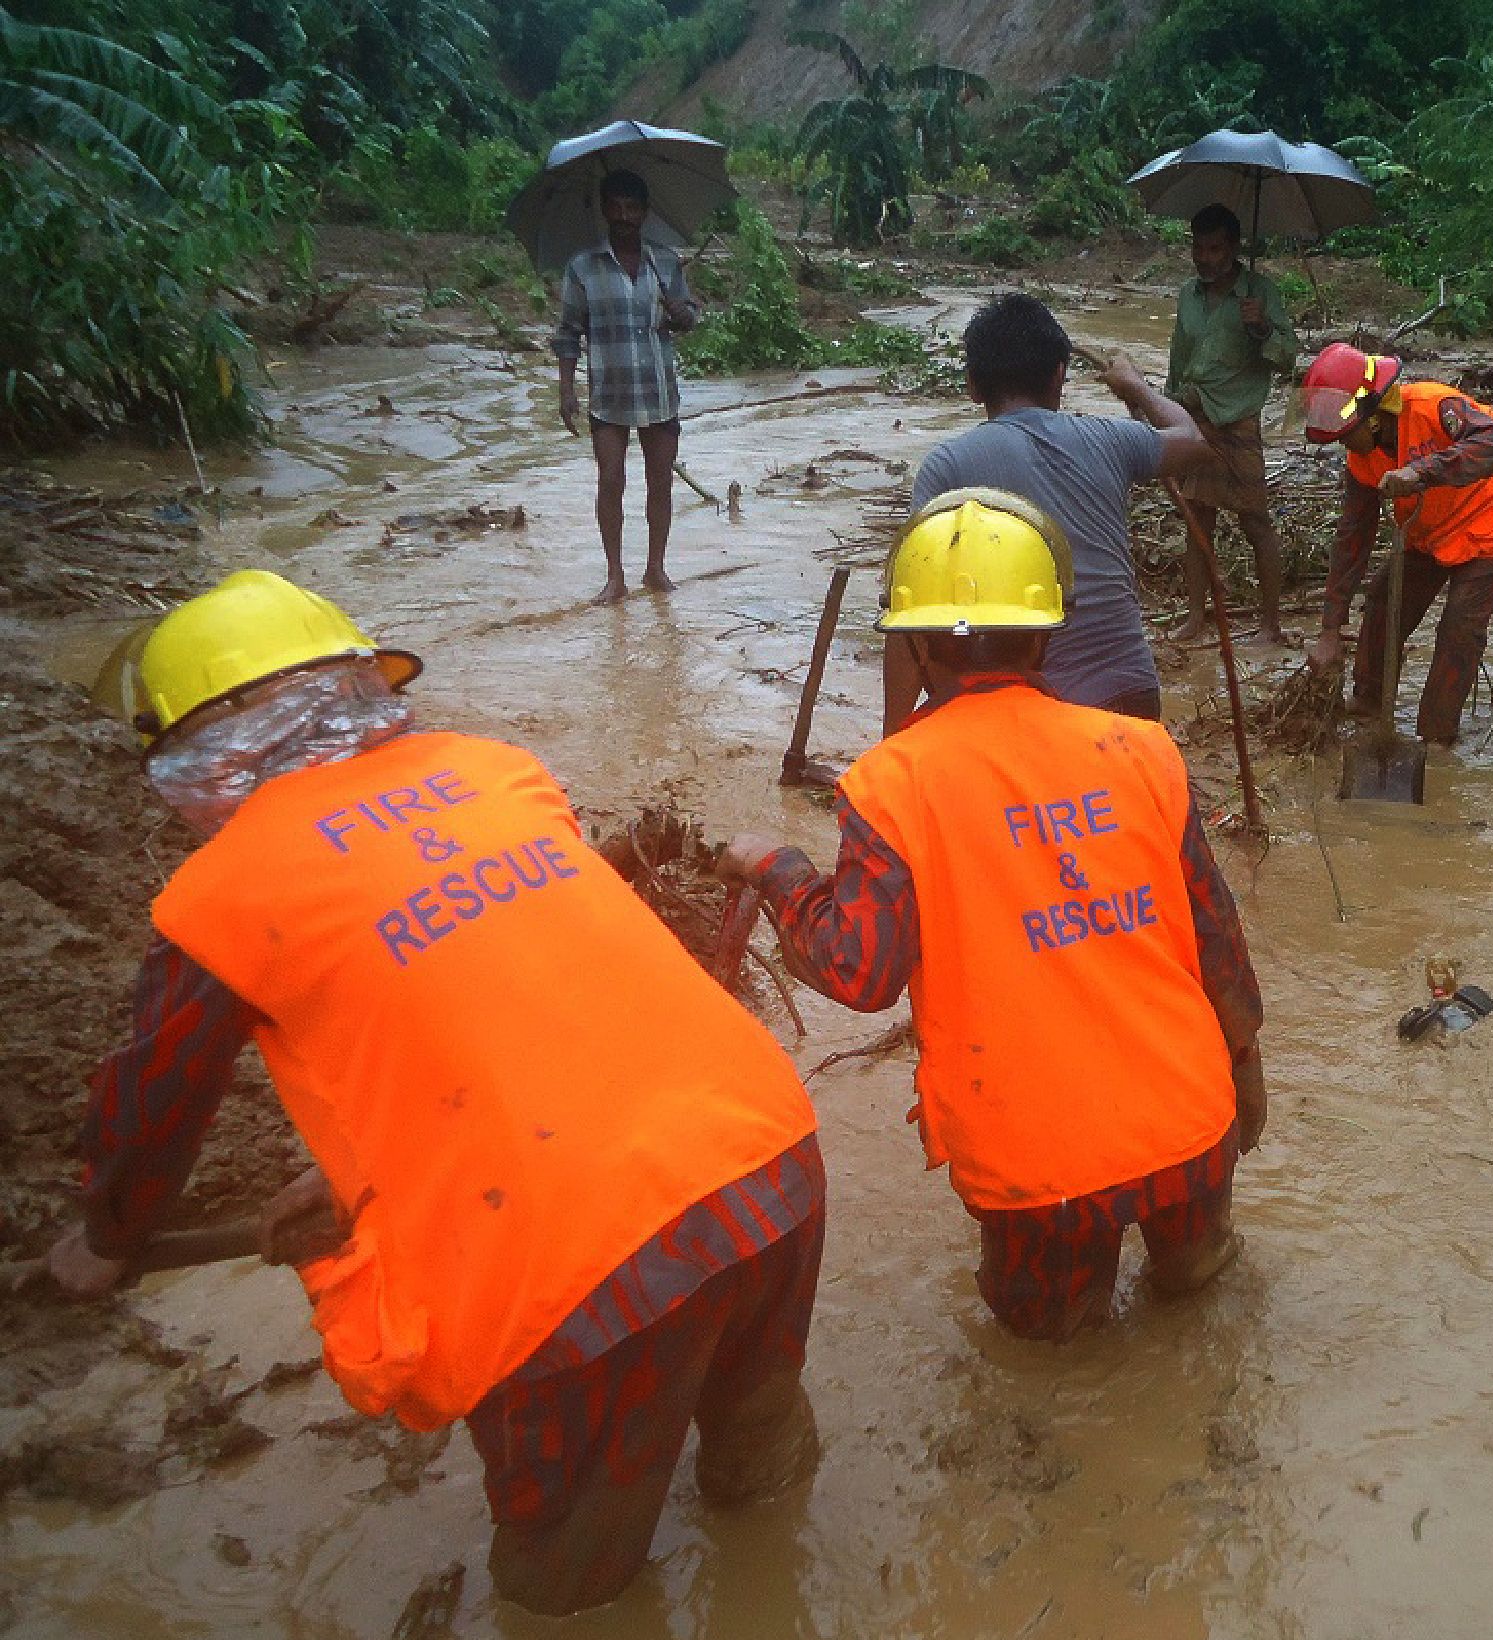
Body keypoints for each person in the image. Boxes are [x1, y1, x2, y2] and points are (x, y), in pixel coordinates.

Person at [47, 571, 824, 1616]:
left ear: (196, 753)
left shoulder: (219, 896)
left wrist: (103, 1235)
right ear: (364, 689)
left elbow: (155, 1104)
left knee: (567, 1585)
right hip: (769, 1157)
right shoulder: (496, 772)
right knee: (763, 1455)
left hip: (580, 1269)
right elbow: (501, 980)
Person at [721, 490, 1267, 1344]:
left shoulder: (891, 784)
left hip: (1037, 1167)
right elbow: (1215, 933)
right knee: (1198, 1292)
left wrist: (777, 870)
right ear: (1049, 630)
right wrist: (1246, 1072)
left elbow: (858, 973)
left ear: (917, 641)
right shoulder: (1139, 750)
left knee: (1051, 1341)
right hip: (1191, 1123)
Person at [888, 292, 1217, 735]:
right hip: (1129, 695)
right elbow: (1192, 440)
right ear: (1059, 375)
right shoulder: (1110, 439)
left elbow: (910, 619)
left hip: (1028, 709)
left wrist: (893, 742)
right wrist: (1135, 385)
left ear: (971, 384)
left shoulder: (948, 467)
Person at [1298, 344, 1493, 745]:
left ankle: (1436, 737)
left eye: (1347, 435)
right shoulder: (1361, 457)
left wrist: (1422, 472)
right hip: (1431, 527)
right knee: (1383, 601)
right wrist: (1330, 628)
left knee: (1458, 630)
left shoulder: (1435, 407)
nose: (1345, 446)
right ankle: (1369, 704)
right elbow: (1352, 537)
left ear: (1373, 416)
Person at [552, 168, 703, 607]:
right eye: (616, 207)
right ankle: (615, 576)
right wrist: (566, 391)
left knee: (660, 483)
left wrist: (680, 311)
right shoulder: (584, 267)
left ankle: (655, 568)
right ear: (604, 210)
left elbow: (689, 320)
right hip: (609, 394)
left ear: (644, 212)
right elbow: (568, 332)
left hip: (658, 391)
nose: (624, 216)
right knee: (611, 481)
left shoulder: (665, 262)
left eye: (632, 208)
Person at [1164, 202, 1299, 645]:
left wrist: (1260, 328)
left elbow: (1287, 358)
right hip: (1195, 413)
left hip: (1237, 420)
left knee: (1255, 521)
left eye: (1215, 249)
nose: (1205, 258)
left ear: (1234, 248)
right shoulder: (1187, 294)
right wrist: (1164, 408)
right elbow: (1178, 359)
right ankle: (1196, 617)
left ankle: (1270, 624)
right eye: (1198, 249)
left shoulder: (1260, 293)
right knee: (1197, 520)